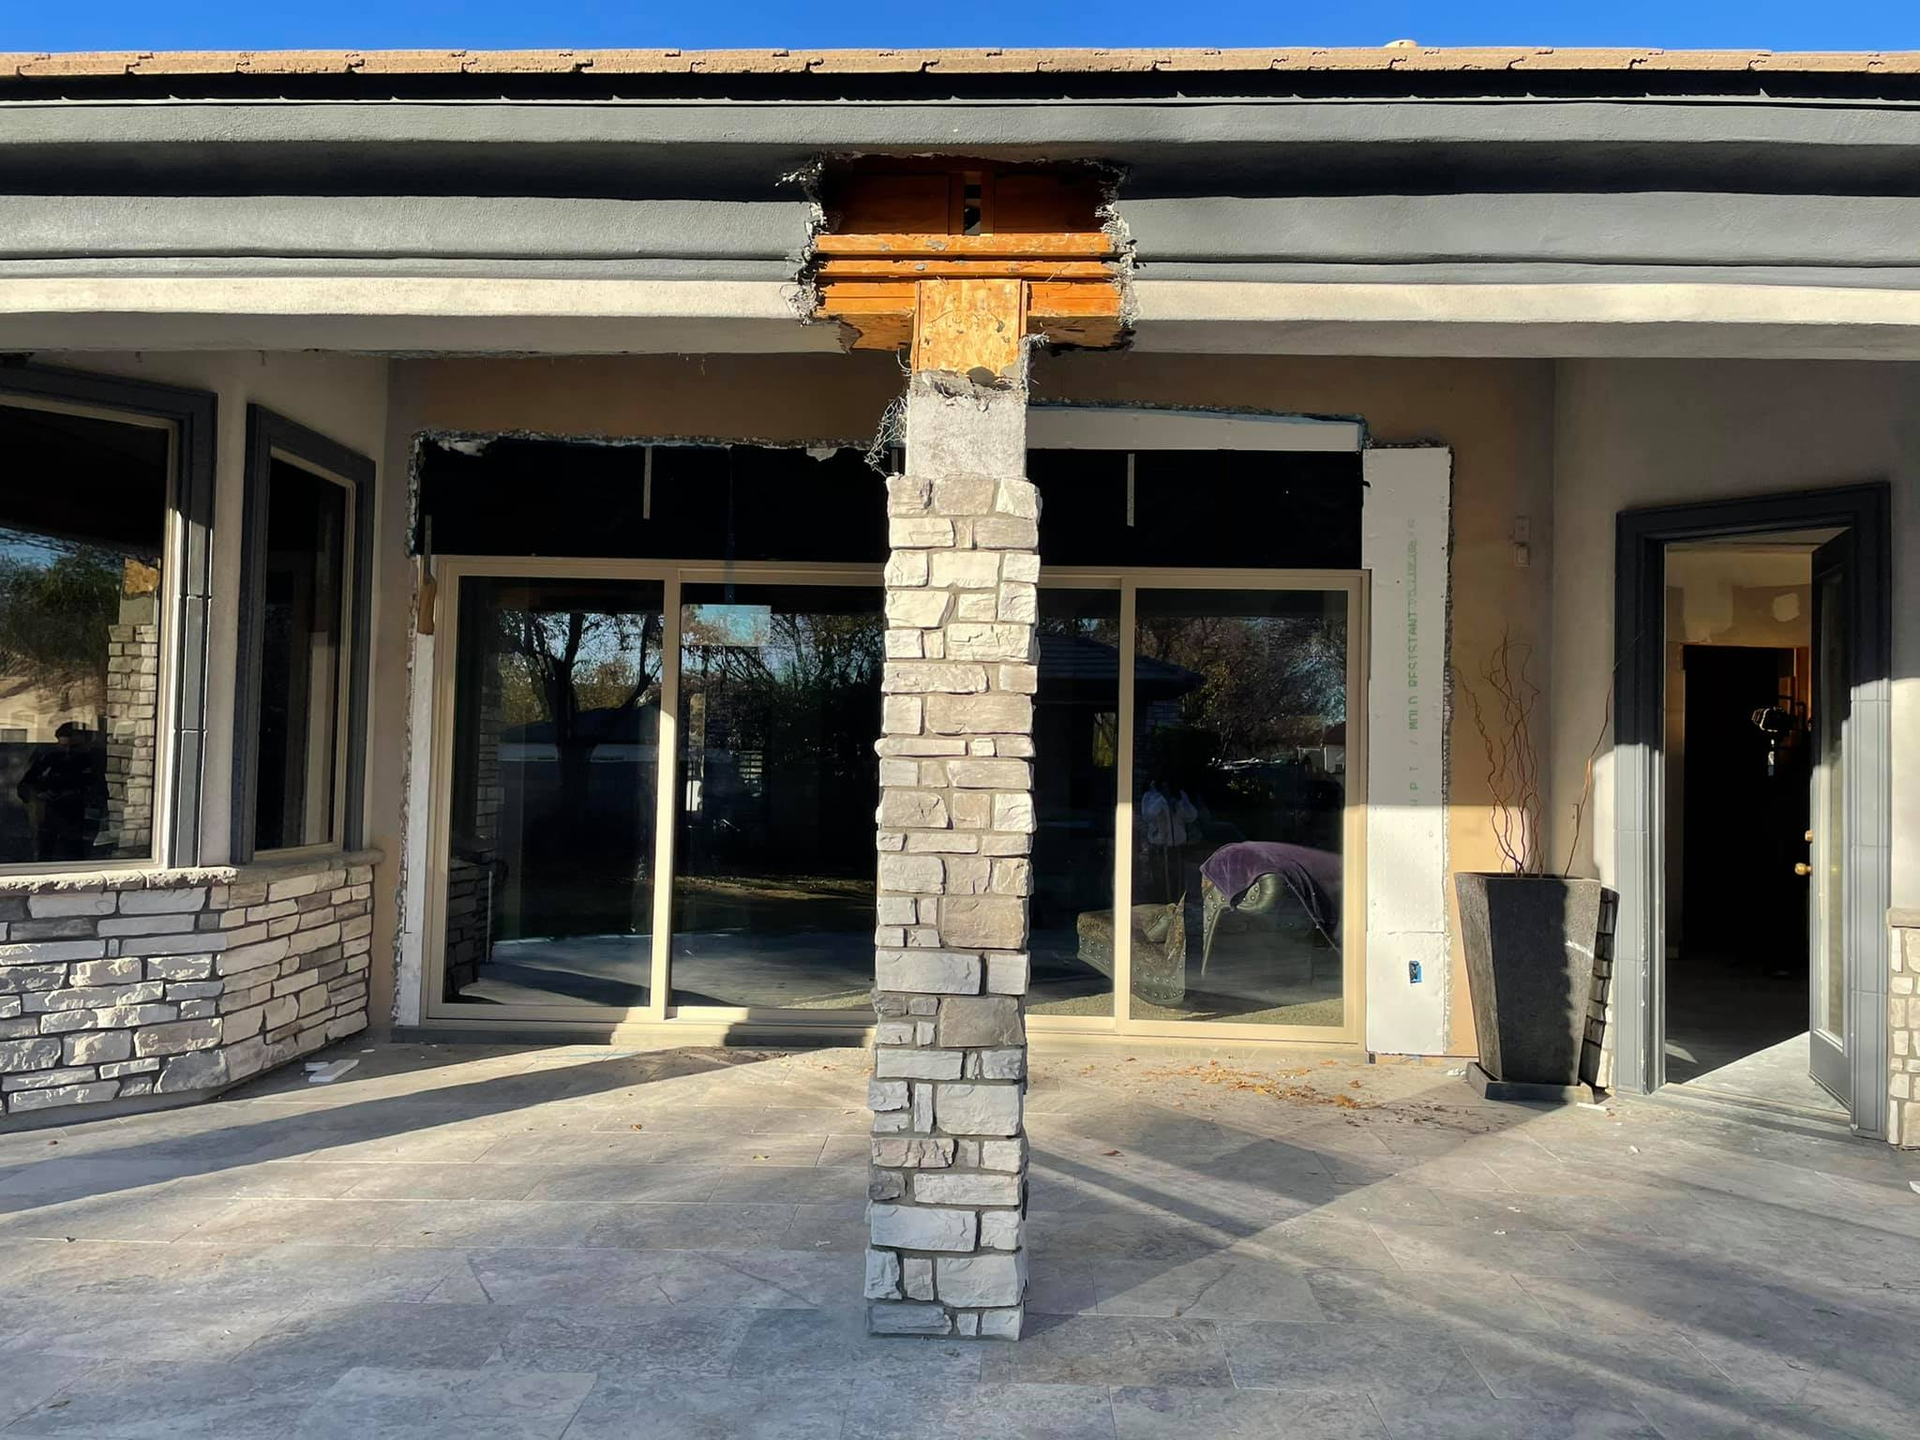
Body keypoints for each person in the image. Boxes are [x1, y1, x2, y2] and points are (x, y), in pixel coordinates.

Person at [16, 722, 107, 861]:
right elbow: (25, 786)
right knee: (44, 857)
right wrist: (39, 795)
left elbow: (101, 790)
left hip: (80, 819)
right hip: (49, 817)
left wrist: (78, 795)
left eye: (73, 747)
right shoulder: (50, 757)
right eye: (64, 746)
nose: (68, 752)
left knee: (76, 856)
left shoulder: (91, 760)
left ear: (85, 744)